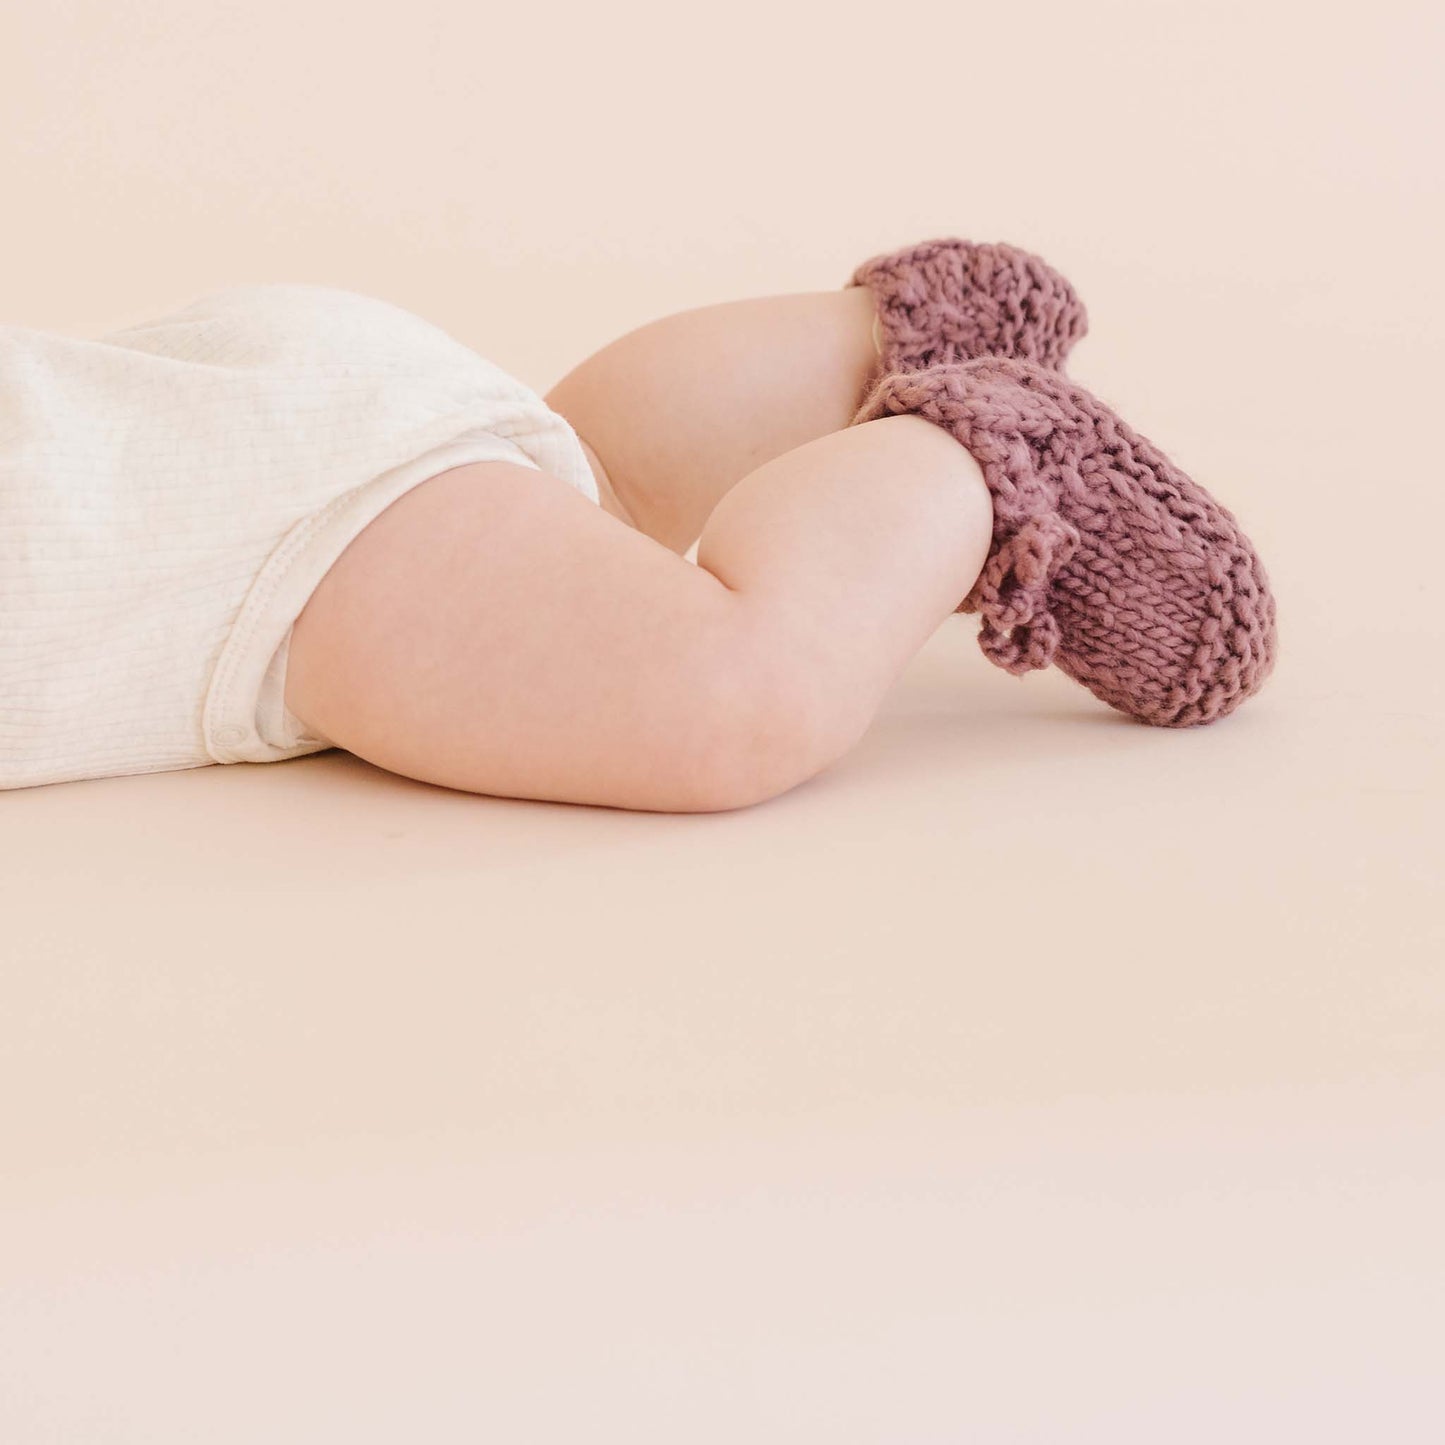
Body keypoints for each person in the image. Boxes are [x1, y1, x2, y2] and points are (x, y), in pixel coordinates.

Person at [0, 239, 1276, 810]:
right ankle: (876, 345)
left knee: (729, 689)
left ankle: (993, 461)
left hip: (241, 551)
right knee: (577, 492)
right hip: (216, 383)